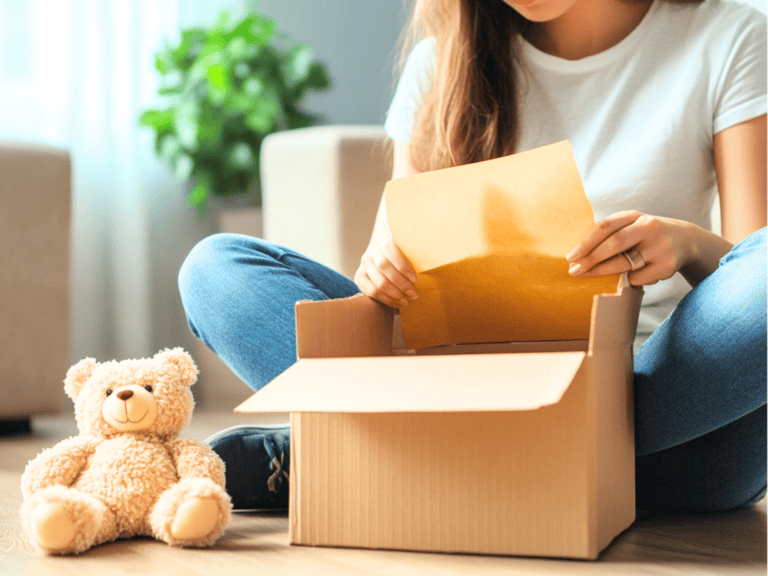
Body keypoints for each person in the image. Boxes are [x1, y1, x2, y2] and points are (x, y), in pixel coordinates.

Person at [178, 0, 766, 513]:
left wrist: (687, 243)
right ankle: (507, 465)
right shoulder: (441, 63)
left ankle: (387, 460)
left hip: (663, 400)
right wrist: (383, 269)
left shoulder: (727, 35)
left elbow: (750, 262)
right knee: (214, 268)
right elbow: (396, 296)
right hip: (473, 386)